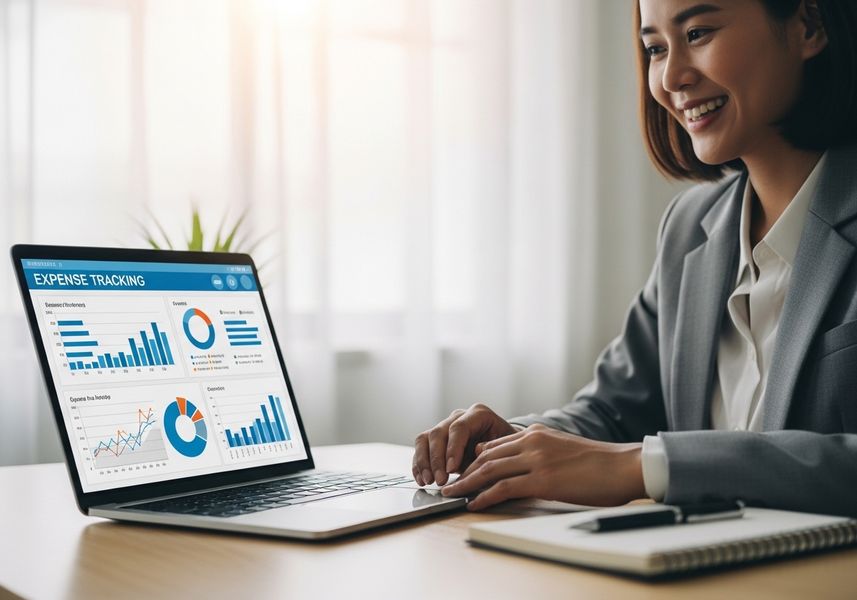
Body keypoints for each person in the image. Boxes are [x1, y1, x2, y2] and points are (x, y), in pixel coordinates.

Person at [412, 0, 857, 516]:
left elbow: (626, 456)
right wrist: (513, 444)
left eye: (698, 33)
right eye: (655, 48)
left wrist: (641, 466)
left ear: (809, 26)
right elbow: (613, 410)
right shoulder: (690, 227)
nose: (672, 77)